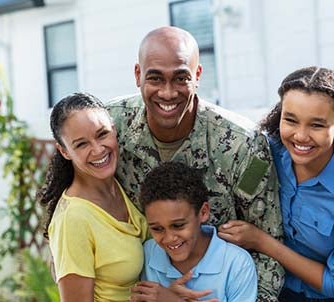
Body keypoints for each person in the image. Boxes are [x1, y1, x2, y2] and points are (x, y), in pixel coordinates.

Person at [106, 26, 284, 301]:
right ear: (138, 75)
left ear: (198, 75)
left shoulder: (243, 146)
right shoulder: (107, 127)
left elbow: (268, 249)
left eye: (180, 78)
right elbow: (69, 187)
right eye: (155, 78)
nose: (167, 93)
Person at [219, 66, 334, 301]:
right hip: (287, 289)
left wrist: (261, 241)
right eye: (291, 120)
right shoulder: (266, 154)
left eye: (317, 125)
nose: (300, 136)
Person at [38, 92, 170, 301]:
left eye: (102, 134)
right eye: (81, 144)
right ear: (64, 151)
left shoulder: (124, 182)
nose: (98, 150)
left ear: (114, 129)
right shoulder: (73, 219)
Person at [132, 161, 257, 302]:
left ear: (203, 212)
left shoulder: (237, 264)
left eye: (178, 225)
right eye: (157, 228)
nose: (169, 238)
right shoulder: (148, 254)